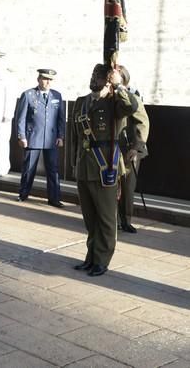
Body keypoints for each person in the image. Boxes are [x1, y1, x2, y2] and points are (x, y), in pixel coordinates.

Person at [71, 64, 139, 276]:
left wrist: (118, 85)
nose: (93, 79)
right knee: (90, 218)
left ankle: (102, 259)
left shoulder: (114, 103)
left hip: (105, 166)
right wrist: (75, 164)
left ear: (107, 80)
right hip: (85, 167)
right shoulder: (82, 102)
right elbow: (77, 137)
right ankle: (91, 256)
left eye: (98, 77)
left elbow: (132, 107)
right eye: (92, 75)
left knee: (106, 219)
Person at [15, 68, 65, 207]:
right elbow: (21, 118)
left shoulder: (57, 95)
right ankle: (23, 194)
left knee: (53, 170)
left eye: (50, 79)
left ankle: (54, 198)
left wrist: (61, 136)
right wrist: (22, 136)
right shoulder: (28, 95)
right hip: (33, 137)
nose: (47, 82)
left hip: (51, 138)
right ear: (38, 79)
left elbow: (61, 118)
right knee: (29, 168)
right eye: (44, 79)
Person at [116, 65, 150, 233]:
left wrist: (136, 148)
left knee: (128, 187)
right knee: (111, 186)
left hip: (130, 148)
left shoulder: (132, 96)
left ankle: (126, 220)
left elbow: (142, 123)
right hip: (112, 148)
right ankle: (112, 219)